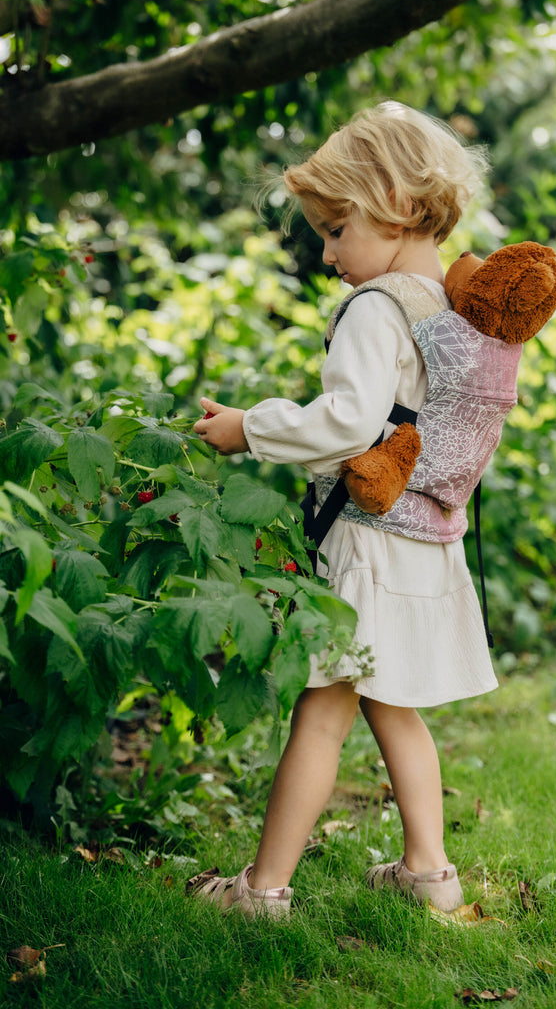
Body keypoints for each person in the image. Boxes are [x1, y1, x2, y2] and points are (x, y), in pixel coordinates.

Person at [189, 102, 497, 918]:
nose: (327, 254)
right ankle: (431, 875)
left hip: (367, 540)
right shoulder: (452, 308)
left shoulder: (376, 308)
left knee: (324, 709)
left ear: (395, 200)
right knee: (395, 707)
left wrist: (247, 427)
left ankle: (261, 890)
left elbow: (349, 422)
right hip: (427, 536)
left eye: (334, 229)